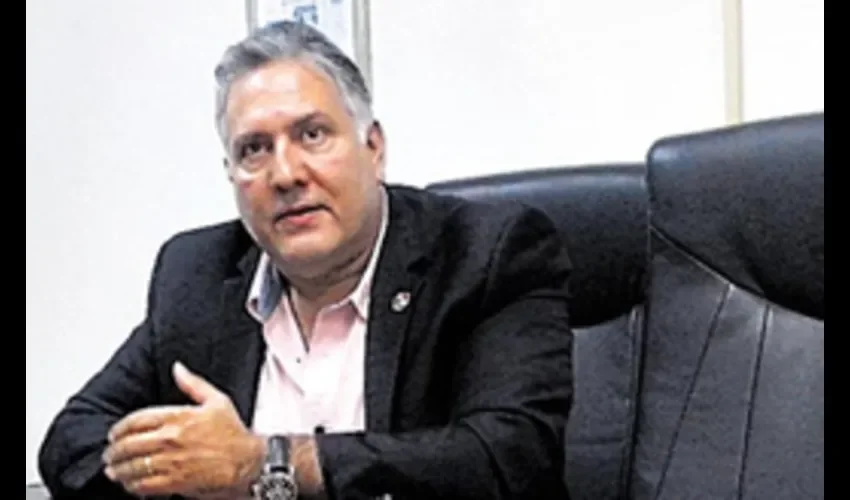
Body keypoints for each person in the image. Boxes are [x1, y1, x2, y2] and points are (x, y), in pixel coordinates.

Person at [37, 20, 574, 500]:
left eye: (312, 135)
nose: (286, 174)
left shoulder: (485, 253)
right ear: (231, 174)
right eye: (254, 149)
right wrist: (179, 470)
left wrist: (264, 466)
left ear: (373, 148)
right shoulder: (198, 275)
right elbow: (71, 445)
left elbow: (510, 458)